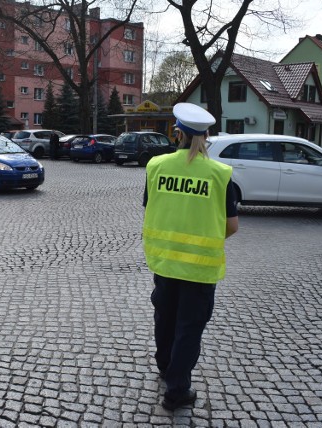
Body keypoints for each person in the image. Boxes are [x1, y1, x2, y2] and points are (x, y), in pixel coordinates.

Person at [142, 102, 239, 411]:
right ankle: (177, 390)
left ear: (177, 133)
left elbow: (151, 206)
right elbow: (232, 226)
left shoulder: (156, 166)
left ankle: (164, 364)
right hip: (200, 269)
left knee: (165, 318)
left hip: (165, 262)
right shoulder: (220, 174)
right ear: (206, 136)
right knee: (188, 327)